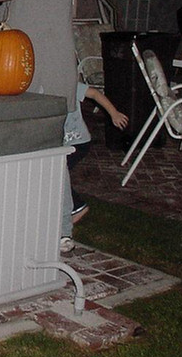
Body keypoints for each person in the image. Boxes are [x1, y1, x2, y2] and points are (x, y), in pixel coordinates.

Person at [59, 82, 129, 252]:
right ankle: (75, 207)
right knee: (59, 175)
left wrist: (114, 113)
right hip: (65, 144)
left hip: (78, 142)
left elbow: (95, 94)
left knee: (59, 175)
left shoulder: (71, 84)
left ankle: (76, 207)